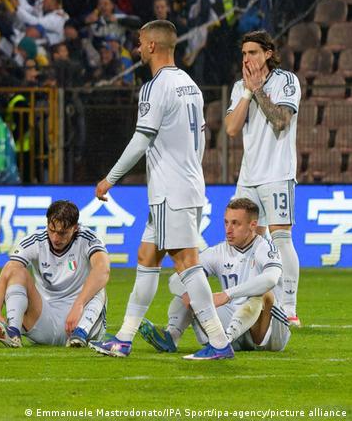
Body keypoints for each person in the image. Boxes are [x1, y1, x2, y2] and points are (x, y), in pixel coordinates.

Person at [90, 20, 235, 360]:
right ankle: (123, 339)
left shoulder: (154, 87)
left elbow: (141, 140)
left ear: (152, 46)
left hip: (171, 190)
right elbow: (201, 138)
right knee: (147, 256)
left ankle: (218, 341)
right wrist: (189, 170)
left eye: (140, 42)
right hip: (184, 184)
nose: (138, 48)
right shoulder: (190, 84)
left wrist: (110, 178)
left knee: (186, 263)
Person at [139, 198, 291, 353]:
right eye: (226, 223)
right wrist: (190, 295)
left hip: (268, 331)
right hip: (234, 321)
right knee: (189, 286)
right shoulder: (217, 252)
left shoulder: (266, 248)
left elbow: (270, 279)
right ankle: (171, 337)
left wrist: (227, 295)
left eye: (235, 223)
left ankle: (223, 344)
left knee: (264, 295)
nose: (228, 230)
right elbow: (175, 280)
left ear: (253, 225)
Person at [224, 30, 301, 327]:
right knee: (246, 239)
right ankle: (251, 301)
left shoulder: (286, 81)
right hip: (249, 175)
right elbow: (231, 129)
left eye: (253, 52)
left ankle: (289, 307)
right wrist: (247, 91)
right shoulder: (239, 87)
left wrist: (258, 90)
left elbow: (281, 121)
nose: (247, 59)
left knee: (281, 238)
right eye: (244, 54)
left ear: (268, 53)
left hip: (278, 173)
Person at [0, 200, 110, 348]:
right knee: (14, 269)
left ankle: (80, 334)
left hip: (82, 318)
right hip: (44, 320)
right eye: (52, 230)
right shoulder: (35, 241)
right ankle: (13, 332)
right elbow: (6, 275)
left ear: (75, 228)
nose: (55, 238)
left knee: (98, 280)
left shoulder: (88, 239)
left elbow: (103, 269)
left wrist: (78, 305)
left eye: (62, 233)